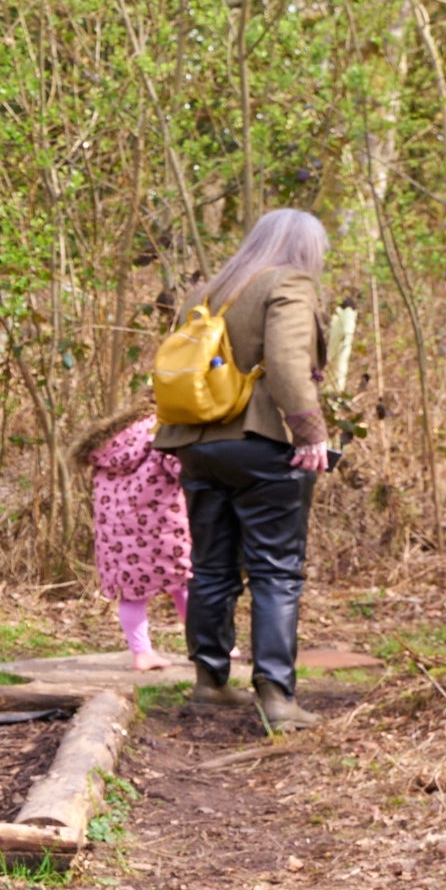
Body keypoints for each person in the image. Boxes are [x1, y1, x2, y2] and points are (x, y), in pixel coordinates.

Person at [152, 208, 333, 733]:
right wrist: (311, 432)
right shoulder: (289, 283)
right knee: (276, 569)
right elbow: (286, 362)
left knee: (212, 567)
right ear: (304, 248)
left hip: (197, 444)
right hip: (258, 442)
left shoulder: (207, 291)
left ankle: (209, 683)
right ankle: (276, 696)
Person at [74, 405, 190, 670]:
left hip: (116, 538)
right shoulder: (164, 433)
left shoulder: (108, 447)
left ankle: (141, 653)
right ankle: (210, 644)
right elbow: (184, 470)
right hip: (166, 530)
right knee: (185, 584)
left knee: (131, 594)